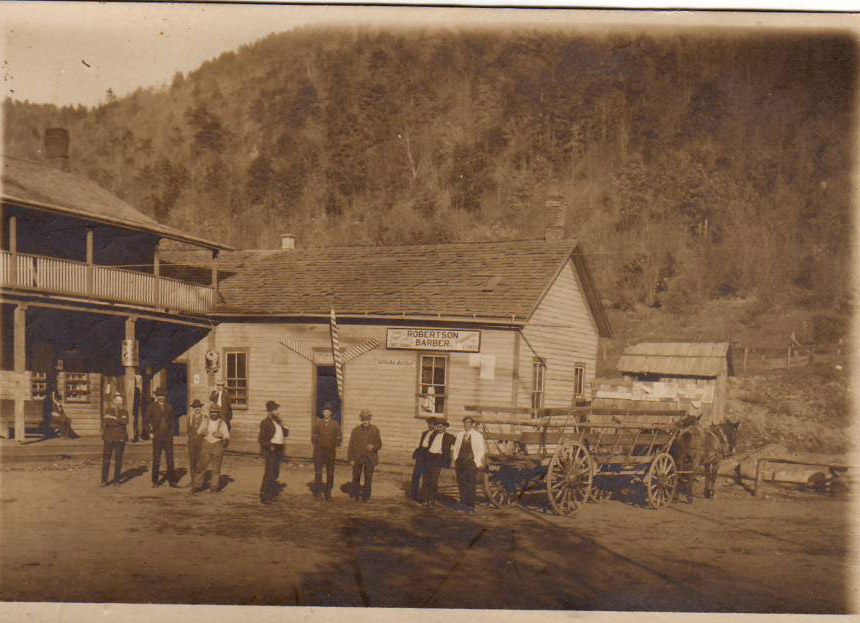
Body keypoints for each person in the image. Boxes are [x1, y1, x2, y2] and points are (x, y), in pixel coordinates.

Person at [191, 406, 230, 494]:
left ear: (218, 413)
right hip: (206, 445)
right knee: (202, 466)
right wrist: (203, 432)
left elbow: (227, 436)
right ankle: (197, 486)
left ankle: (214, 487)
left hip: (217, 445)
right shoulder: (205, 421)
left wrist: (221, 435)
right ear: (209, 412)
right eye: (212, 412)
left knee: (216, 468)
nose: (213, 414)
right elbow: (198, 432)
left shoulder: (222, 423)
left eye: (215, 412)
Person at [452, 415, 486, 513]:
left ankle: (470, 507)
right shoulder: (460, 434)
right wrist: (456, 459)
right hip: (460, 463)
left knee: (470, 484)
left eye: (468, 423)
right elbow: (456, 448)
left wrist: (476, 461)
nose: (466, 424)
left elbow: (481, 450)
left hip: (471, 463)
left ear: (472, 424)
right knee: (461, 483)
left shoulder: (478, 435)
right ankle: (463, 505)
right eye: (465, 422)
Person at [347, 409, 383, 502]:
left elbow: (379, 444)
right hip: (357, 458)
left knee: (368, 478)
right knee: (356, 477)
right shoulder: (355, 430)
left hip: (369, 458)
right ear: (361, 419)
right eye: (363, 419)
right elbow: (351, 445)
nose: (365, 421)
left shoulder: (375, 430)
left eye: (367, 419)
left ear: (370, 419)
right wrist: (351, 459)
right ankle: (355, 495)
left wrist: (373, 447)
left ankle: (366, 496)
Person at [258, 400, 288, 504]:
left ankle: (271, 494)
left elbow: (286, 434)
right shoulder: (265, 422)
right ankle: (264, 495)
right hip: (271, 449)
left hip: (279, 449)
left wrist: (284, 425)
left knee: (275, 473)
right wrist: (269, 446)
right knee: (270, 472)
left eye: (277, 409)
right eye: (275, 410)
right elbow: (262, 439)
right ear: (270, 411)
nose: (277, 412)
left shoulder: (278, 422)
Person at [147, 387, 178, 487]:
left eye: (163, 396)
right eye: (159, 396)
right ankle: (155, 481)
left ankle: (172, 481)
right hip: (157, 435)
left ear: (165, 396)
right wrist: (150, 432)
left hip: (168, 436)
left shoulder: (169, 407)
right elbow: (147, 421)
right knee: (156, 458)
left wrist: (172, 432)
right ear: (156, 397)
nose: (161, 397)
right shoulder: (152, 407)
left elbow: (172, 421)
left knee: (170, 458)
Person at [422, 418, 455, 508]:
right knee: (426, 480)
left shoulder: (449, 437)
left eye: (441, 426)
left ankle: (431, 500)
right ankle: (424, 499)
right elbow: (425, 444)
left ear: (445, 427)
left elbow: (457, 445)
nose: (439, 428)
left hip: (438, 459)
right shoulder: (433, 434)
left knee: (433, 480)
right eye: (437, 426)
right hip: (429, 457)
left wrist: (448, 455)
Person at [311, 403, 341, 501]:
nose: (326, 413)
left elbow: (339, 437)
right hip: (319, 452)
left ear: (331, 413)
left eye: (328, 412)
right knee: (318, 472)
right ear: (322, 413)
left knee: (330, 472)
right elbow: (313, 437)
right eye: (324, 412)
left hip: (330, 452)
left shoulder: (335, 424)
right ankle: (318, 493)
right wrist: (319, 445)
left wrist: (333, 445)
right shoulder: (317, 424)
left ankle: (328, 493)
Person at [101, 393, 128, 487]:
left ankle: (116, 480)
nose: (119, 403)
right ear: (114, 401)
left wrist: (113, 418)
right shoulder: (108, 410)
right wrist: (119, 421)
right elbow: (107, 422)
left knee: (119, 459)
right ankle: (104, 480)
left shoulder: (124, 412)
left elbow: (125, 422)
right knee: (106, 459)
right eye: (118, 401)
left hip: (120, 438)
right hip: (108, 438)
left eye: (121, 401)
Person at [410, 417, 437, 503]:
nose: (430, 425)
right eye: (429, 423)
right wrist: (417, 453)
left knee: (426, 477)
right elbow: (421, 444)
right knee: (416, 475)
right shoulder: (424, 433)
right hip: (421, 456)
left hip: (428, 457)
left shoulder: (437, 435)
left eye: (432, 423)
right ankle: (414, 495)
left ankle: (425, 497)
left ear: (435, 425)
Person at [186, 398, 206, 486]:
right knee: (192, 461)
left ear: (201, 408)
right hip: (192, 443)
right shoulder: (190, 418)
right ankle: (193, 480)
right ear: (193, 409)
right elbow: (188, 430)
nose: (197, 409)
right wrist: (189, 438)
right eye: (195, 407)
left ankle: (200, 482)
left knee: (201, 462)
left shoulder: (205, 418)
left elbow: (207, 431)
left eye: (198, 407)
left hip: (201, 442)